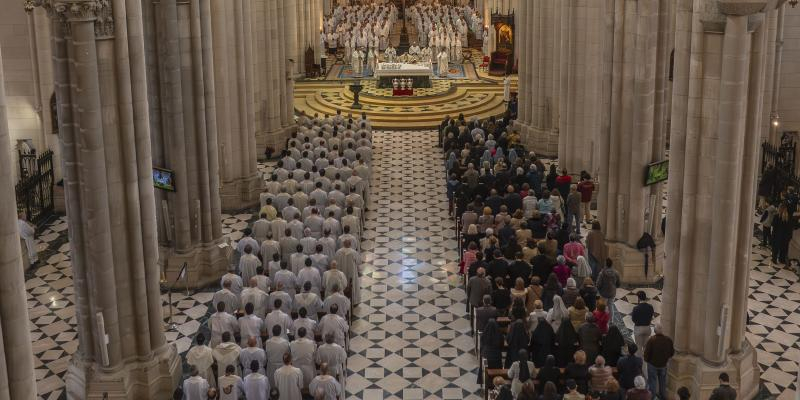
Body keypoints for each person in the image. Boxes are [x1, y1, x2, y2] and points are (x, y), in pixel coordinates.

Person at [644, 324, 674, 400]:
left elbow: (646, 353)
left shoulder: (651, 340)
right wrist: (666, 359)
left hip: (652, 365)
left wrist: (647, 360)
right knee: (662, 382)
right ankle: (663, 397)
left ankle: (652, 397)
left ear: (654, 331)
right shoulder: (668, 340)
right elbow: (672, 353)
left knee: (652, 382)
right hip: (663, 365)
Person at [631, 291, 654, 356]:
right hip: (647, 328)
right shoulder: (650, 307)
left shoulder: (636, 308)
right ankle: (646, 361)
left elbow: (633, 319)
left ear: (638, 298)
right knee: (645, 347)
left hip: (638, 328)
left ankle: (641, 364)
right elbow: (651, 316)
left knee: (639, 347)